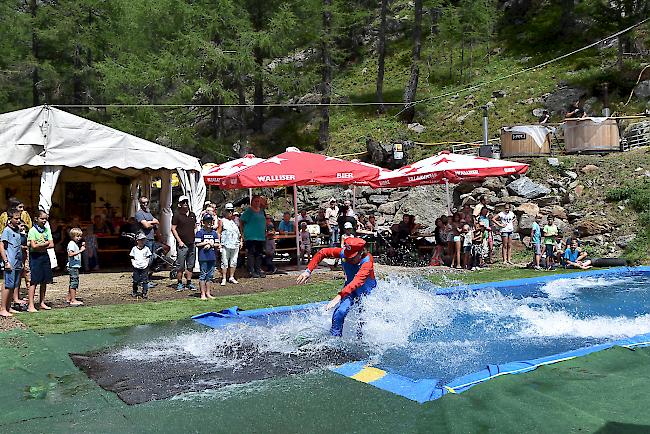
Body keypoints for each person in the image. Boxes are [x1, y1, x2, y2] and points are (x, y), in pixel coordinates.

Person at [296, 237, 377, 337]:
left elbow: (358, 281)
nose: (347, 259)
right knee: (340, 312)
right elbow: (323, 252)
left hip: (366, 292)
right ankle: (334, 341)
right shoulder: (344, 253)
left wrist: (339, 296)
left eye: (351, 258)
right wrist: (308, 271)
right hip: (349, 290)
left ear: (361, 253)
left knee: (363, 321)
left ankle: (361, 342)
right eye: (346, 256)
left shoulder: (367, 262)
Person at [27, 210, 53, 312]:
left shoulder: (47, 230)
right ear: (37, 219)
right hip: (35, 257)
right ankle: (31, 305)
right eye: (42, 218)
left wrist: (40, 245)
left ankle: (42, 302)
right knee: (34, 281)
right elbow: (33, 246)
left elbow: (51, 244)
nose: (44, 221)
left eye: (45, 219)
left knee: (44, 280)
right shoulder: (32, 231)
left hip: (44, 256)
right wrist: (44, 244)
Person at [0, 209, 24, 317]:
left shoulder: (17, 230)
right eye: (16, 218)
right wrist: (6, 261)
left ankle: (9, 307)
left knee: (14, 285)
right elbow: (1, 246)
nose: (18, 220)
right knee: (7, 285)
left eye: (19, 218)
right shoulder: (7, 231)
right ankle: (3, 308)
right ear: (10, 219)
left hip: (17, 262)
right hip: (10, 262)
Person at [171, 195, 197, 291]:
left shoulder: (192, 215)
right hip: (182, 244)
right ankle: (179, 283)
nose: (185, 204)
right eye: (183, 202)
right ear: (180, 204)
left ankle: (189, 282)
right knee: (180, 265)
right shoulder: (177, 215)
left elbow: (194, 227)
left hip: (192, 243)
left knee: (191, 264)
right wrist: (179, 241)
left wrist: (195, 239)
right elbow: (173, 228)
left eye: (186, 202)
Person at [240, 195, 267, 278]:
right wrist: (242, 233)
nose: (257, 203)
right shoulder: (249, 211)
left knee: (259, 254)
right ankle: (251, 271)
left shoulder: (262, 211)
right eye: (255, 201)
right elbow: (241, 221)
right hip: (251, 236)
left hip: (260, 236)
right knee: (251, 253)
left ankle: (258, 270)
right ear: (252, 202)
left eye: (258, 201)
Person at [217, 203, 241, 286]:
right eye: (228, 210)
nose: (230, 212)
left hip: (235, 244)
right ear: (225, 211)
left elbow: (240, 232)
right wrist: (219, 243)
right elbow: (219, 232)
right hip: (225, 244)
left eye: (231, 210)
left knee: (234, 261)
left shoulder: (236, 221)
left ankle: (231, 277)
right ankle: (224, 278)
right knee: (224, 261)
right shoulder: (222, 221)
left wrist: (241, 241)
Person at [195, 215, 218, 300]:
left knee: (210, 276)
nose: (209, 223)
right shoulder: (200, 232)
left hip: (212, 257)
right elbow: (197, 244)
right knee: (203, 275)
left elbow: (217, 243)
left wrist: (212, 244)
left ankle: (208, 293)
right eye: (207, 221)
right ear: (203, 222)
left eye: (210, 221)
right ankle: (202, 294)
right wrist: (206, 243)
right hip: (203, 257)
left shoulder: (214, 233)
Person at [135, 196, 159, 270]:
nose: (145, 204)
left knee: (151, 257)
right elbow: (146, 226)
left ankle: (147, 275)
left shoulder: (148, 213)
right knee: (145, 258)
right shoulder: (139, 214)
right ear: (140, 203)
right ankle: (143, 277)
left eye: (147, 202)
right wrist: (151, 223)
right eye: (143, 202)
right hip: (144, 239)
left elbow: (157, 222)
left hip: (151, 238)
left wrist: (149, 222)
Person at [66, 228, 85, 306]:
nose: (79, 238)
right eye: (77, 236)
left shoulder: (74, 244)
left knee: (72, 282)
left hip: (74, 266)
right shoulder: (71, 244)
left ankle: (69, 298)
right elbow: (70, 254)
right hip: (73, 266)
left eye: (80, 236)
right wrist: (81, 250)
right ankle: (73, 300)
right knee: (74, 282)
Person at [130, 233, 152, 298]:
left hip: (144, 266)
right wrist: (133, 263)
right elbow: (132, 257)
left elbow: (148, 257)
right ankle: (135, 291)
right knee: (135, 280)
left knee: (145, 280)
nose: (142, 241)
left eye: (143, 240)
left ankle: (144, 293)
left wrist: (146, 263)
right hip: (136, 266)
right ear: (137, 241)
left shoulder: (146, 249)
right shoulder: (134, 249)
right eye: (140, 240)